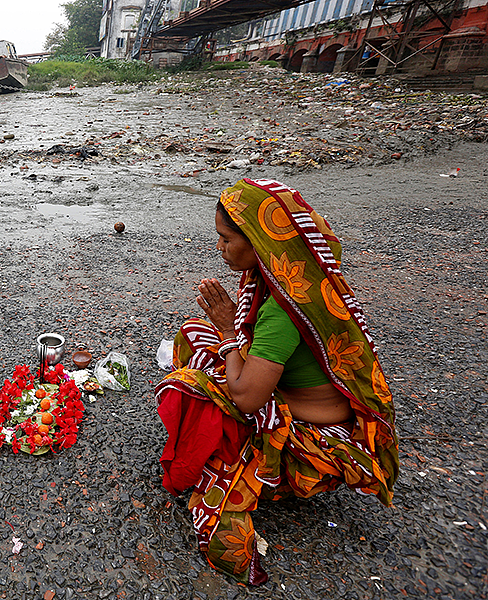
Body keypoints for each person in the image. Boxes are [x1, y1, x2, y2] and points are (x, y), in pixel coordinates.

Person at [156, 178, 398, 585]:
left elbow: (247, 398)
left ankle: (258, 473)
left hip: (317, 433)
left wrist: (230, 331)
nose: (220, 248)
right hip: (302, 395)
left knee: (188, 388)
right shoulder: (300, 279)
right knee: (195, 333)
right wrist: (227, 329)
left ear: (259, 243)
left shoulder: (281, 311)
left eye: (226, 238)